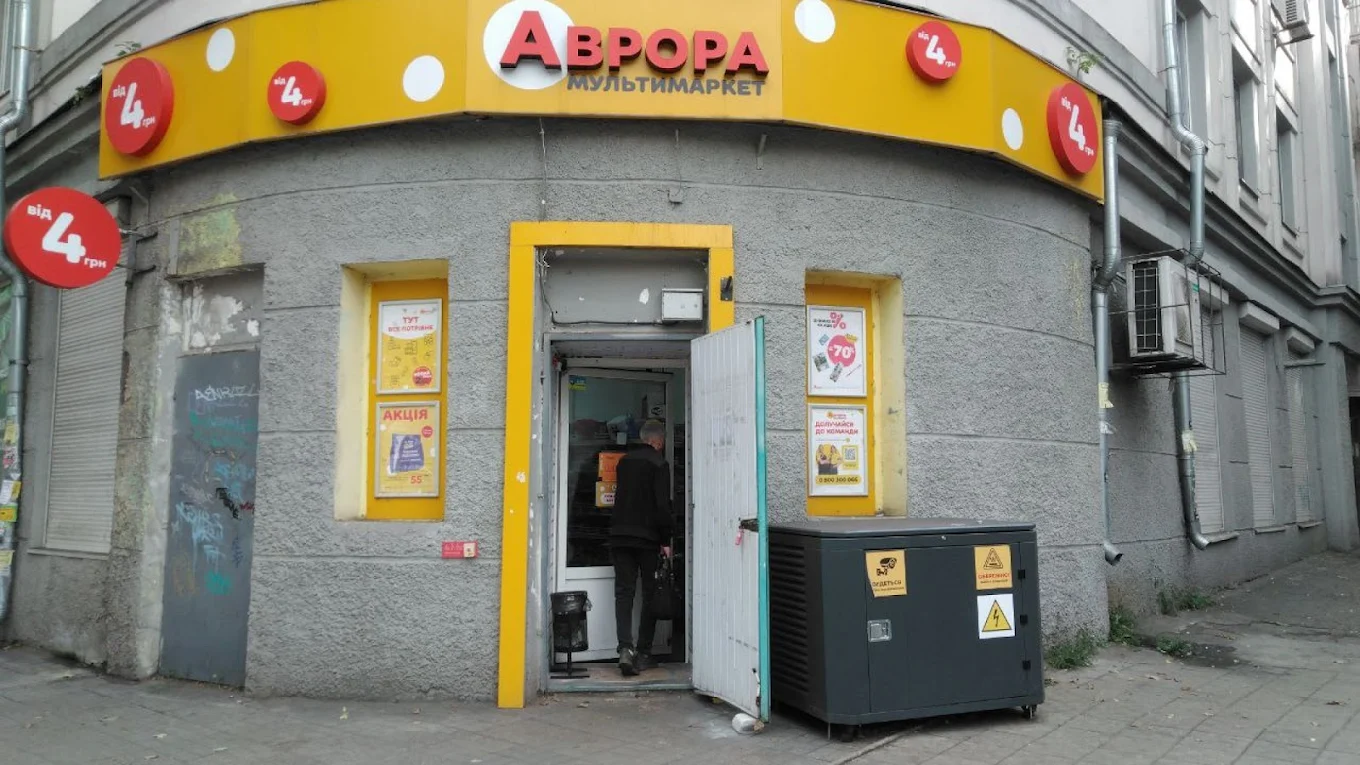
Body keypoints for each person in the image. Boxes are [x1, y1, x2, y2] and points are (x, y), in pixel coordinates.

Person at [608, 419, 674, 676]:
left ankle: (625, 648)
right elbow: (662, 506)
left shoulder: (624, 462)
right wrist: (665, 540)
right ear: (658, 441)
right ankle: (644, 652)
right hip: (647, 539)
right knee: (650, 594)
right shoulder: (659, 464)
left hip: (620, 535)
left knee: (623, 593)